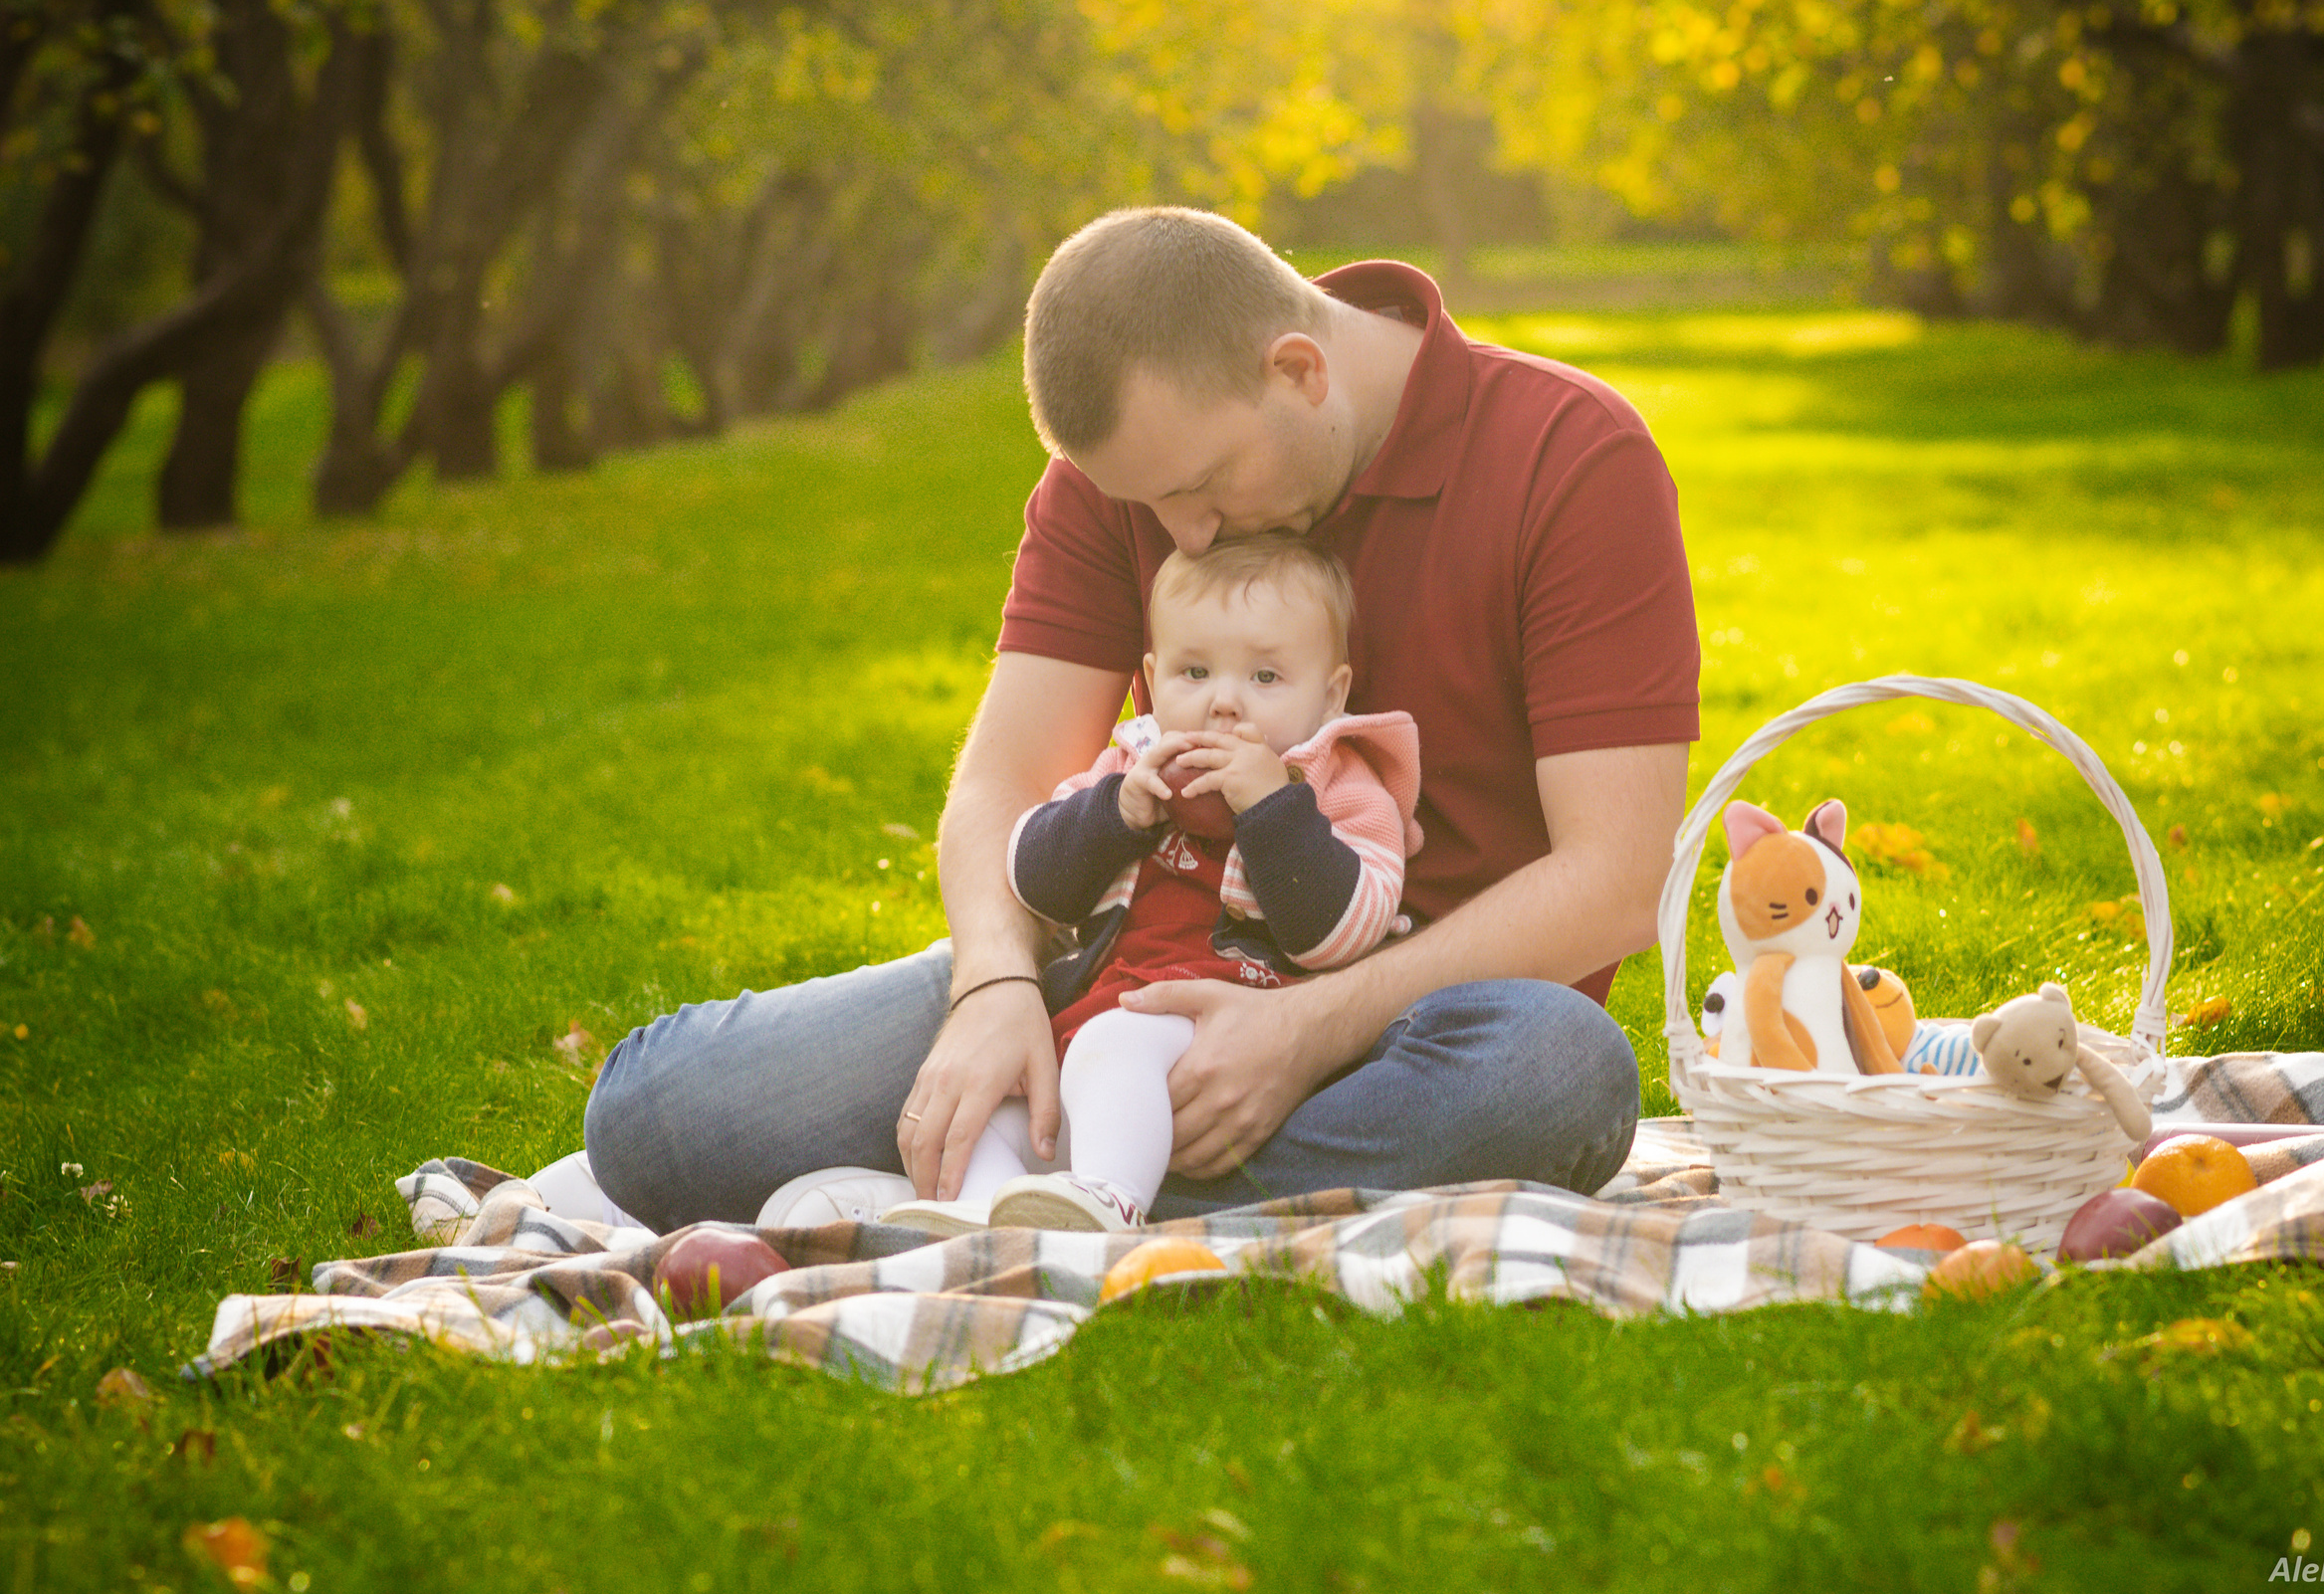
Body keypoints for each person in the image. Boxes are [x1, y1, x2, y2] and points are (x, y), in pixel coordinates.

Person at [581, 205, 1700, 1233]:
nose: (1187, 537)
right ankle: (1110, 1187)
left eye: (1204, 486)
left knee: (1561, 1071)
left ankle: (1022, 1196)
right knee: (653, 1116)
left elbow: (1616, 876)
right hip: (1126, 974)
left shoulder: (1571, 455)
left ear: (1299, 371)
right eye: (1150, 506)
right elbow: (1003, 784)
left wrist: (1308, 1027)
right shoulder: (1121, 481)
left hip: (1420, 1029)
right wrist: (995, 987)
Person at [880, 535, 1419, 1235]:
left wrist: (1270, 809)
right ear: (1152, 674)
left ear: (1331, 693)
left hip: (1220, 1029)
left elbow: (1342, 931)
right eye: (1194, 672)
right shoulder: (1131, 765)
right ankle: (994, 1218)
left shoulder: (1337, 786)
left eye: (1265, 678)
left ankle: (1110, 1200)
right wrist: (1117, 811)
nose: (1224, 703)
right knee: (988, 1109)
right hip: (1089, 1030)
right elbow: (1032, 880)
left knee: (1118, 1043)